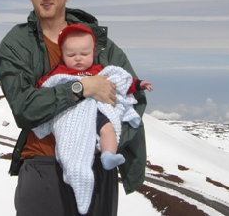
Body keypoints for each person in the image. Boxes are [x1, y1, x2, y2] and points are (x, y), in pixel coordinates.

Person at [0, 0, 149, 216]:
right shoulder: (17, 43)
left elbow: (133, 98)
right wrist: (82, 88)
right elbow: (24, 108)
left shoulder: (98, 44)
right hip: (43, 165)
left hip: (97, 168)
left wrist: (107, 140)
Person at [32, 23, 153, 214]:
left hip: (98, 111)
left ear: (93, 52)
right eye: (71, 55)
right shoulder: (60, 72)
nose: (78, 59)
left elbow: (121, 81)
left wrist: (138, 84)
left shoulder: (100, 70)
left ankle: (108, 155)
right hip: (73, 114)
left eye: (84, 54)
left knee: (108, 130)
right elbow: (46, 87)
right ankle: (78, 176)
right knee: (72, 144)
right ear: (63, 55)